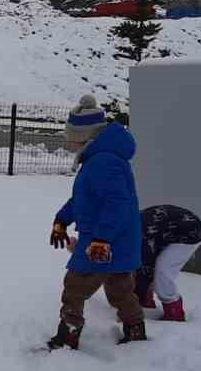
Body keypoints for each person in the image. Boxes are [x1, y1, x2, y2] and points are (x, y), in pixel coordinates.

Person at [46, 94, 145, 351]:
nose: (67, 140)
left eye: (70, 135)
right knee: (120, 289)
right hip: (116, 240)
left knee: (75, 288)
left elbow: (117, 203)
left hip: (102, 242)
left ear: (84, 135)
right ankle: (135, 331)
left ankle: (68, 336)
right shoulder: (100, 158)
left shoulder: (102, 161)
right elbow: (84, 199)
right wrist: (62, 219)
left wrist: (102, 239)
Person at [135, 204, 201, 323]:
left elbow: (146, 266)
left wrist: (137, 297)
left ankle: (174, 312)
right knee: (149, 266)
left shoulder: (141, 233)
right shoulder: (136, 224)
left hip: (189, 233)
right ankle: (147, 301)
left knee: (162, 270)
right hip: (170, 231)